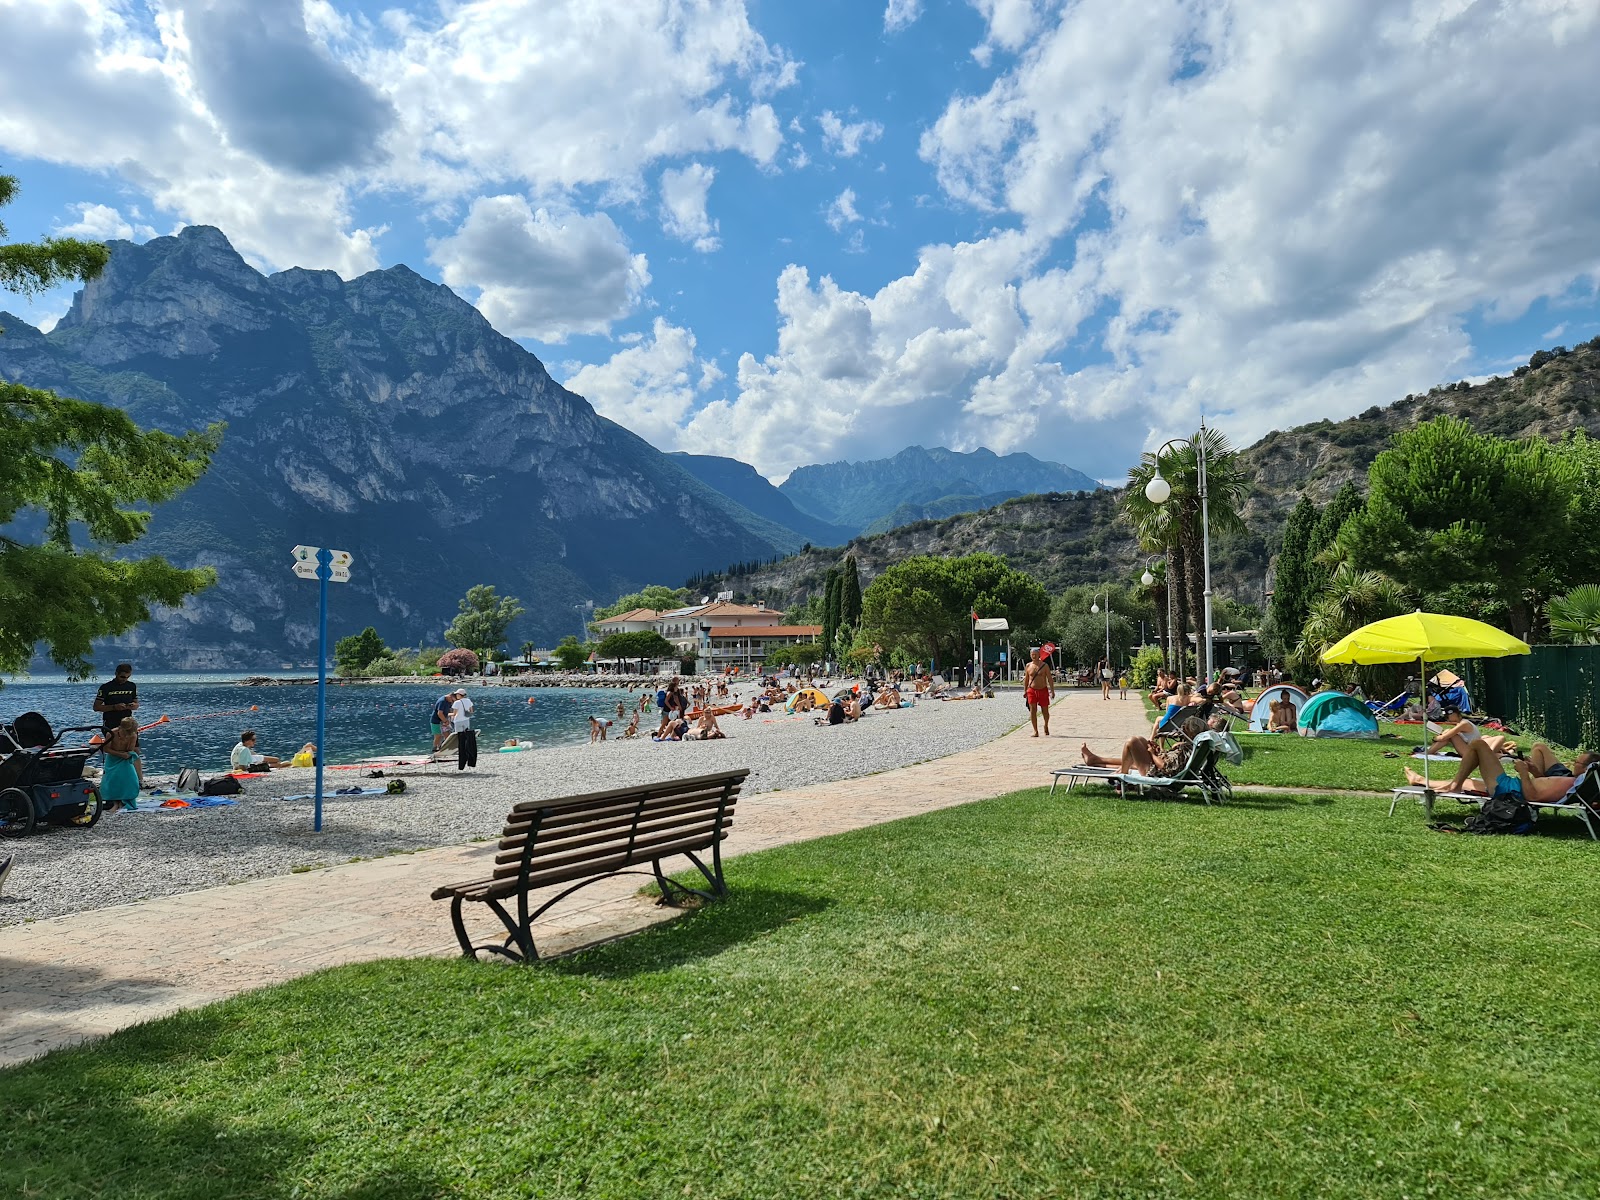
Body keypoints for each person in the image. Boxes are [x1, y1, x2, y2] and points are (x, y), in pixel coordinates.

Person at [1404, 739, 1576, 804]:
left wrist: (1524, 773)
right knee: (1472, 775)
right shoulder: (1572, 781)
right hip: (1513, 786)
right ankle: (1422, 780)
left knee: (1478, 745)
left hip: (1509, 791)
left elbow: (1533, 797)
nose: (1576, 763)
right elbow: (1543, 787)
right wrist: (1534, 771)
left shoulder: (1571, 783)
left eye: (1580, 762)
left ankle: (1452, 785)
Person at [1079, 718, 1206, 776]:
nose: (1180, 732)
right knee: (1141, 741)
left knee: (1132, 741)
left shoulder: (1185, 748)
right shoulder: (1192, 747)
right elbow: (1171, 762)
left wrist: (1152, 754)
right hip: (1159, 767)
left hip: (1157, 772)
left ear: (1190, 732)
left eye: (1184, 729)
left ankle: (1123, 774)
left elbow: (1164, 767)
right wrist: (1158, 752)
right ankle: (1095, 760)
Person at [1425, 706, 1512, 757]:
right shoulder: (1462, 724)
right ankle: (1430, 751)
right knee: (1448, 732)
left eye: (1448, 716)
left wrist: (1436, 738)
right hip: (1470, 748)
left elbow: (1444, 737)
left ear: (1455, 714)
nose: (1447, 718)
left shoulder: (1463, 724)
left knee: (1450, 734)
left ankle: (1429, 752)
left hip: (1469, 752)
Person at [100, 716, 144, 811]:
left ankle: (125, 801)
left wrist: (127, 752)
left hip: (124, 758)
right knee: (112, 780)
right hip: (113, 758)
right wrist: (119, 754)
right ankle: (115, 802)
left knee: (130, 779)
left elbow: (130, 750)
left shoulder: (133, 735)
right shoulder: (112, 733)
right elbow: (106, 749)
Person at [93, 662, 139, 733]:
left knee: (133, 743)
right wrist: (114, 707)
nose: (125, 679)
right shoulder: (106, 687)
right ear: (116, 674)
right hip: (111, 721)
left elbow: (136, 704)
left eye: (128, 677)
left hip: (127, 722)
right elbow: (96, 707)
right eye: (122, 677)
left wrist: (133, 705)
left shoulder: (132, 686)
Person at [1023, 647, 1055, 737]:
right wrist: (1025, 690)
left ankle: (1046, 725)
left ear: (1039, 655)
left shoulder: (1044, 665)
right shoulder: (1028, 666)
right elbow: (1026, 679)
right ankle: (1035, 731)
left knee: (1045, 711)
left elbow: (1049, 679)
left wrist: (1052, 691)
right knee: (1033, 710)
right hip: (1032, 690)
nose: (1034, 656)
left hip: (1043, 689)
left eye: (1035, 655)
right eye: (1032, 655)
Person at [451, 690, 477, 770]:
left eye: (457, 694)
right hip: (466, 720)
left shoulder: (457, 703)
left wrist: (448, 714)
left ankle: (459, 752)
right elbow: (471, 711)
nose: (456, 696)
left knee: (459, 737)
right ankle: (467, 754)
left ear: (459, 695)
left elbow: (454, 714)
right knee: (466, 737)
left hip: (458, 721)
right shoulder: (468, 701)